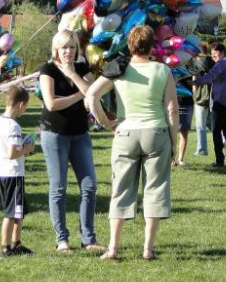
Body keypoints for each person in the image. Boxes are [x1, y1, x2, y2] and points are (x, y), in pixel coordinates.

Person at [86, 25, 179, 261]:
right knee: (155, 190)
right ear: (151, 46)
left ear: (129, 45)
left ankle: (113, 247)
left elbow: (91, 97)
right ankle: (148, 248)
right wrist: (174, 143)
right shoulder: (162, 70)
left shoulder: (118, 69)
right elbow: (172, 110)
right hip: (156, 132)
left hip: (126, 132)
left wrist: (107, 123)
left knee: (121, 190)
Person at [38, 30, 103, 252]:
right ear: (56, 49)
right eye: (64, 47)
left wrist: (74, 75)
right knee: (58, 188)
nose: (68, 51)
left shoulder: (84, 70)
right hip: (54, 134)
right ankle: (62, 239)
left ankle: (88, 238)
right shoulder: (47, 70)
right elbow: (51, 104)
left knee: (89, 186)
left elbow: (92, 94)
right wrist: (79, 95)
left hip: (80, 135)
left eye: (72, 47)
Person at [0, 86, 36, 258]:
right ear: (20, 105)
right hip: (13, 174)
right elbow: (12, 153)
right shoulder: (13, 126)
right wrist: (28, 148)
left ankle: (17, 243)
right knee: (11, 212)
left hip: (3, 172)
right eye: (25, 107)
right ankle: (5, 247)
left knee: (18, 210)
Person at [193, 43, 226, 167]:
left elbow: (209, 77)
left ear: (222, 52)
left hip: (221, 103)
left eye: (215, 52)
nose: (213, 54)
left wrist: (193, 81)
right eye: (212, 52)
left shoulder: (221, 64)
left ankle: (220, 159)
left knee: (216, 130)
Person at [193, 41, 215, 157]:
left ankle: (202, 149)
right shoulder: (213, 61)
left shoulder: (198, 62)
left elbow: (195, 80)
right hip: (213, 97)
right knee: (213, 124)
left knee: (200, 125)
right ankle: (224, 141)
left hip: (201, 97)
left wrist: (193, 94)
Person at [174, 85, 193, 166]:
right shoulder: (171, 72)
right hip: (173, 103)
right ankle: (172, 159)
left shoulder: (192, 72)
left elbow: (196, 83)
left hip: (186, 104)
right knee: (171, 134)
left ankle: (180, 159)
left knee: (184, 133)